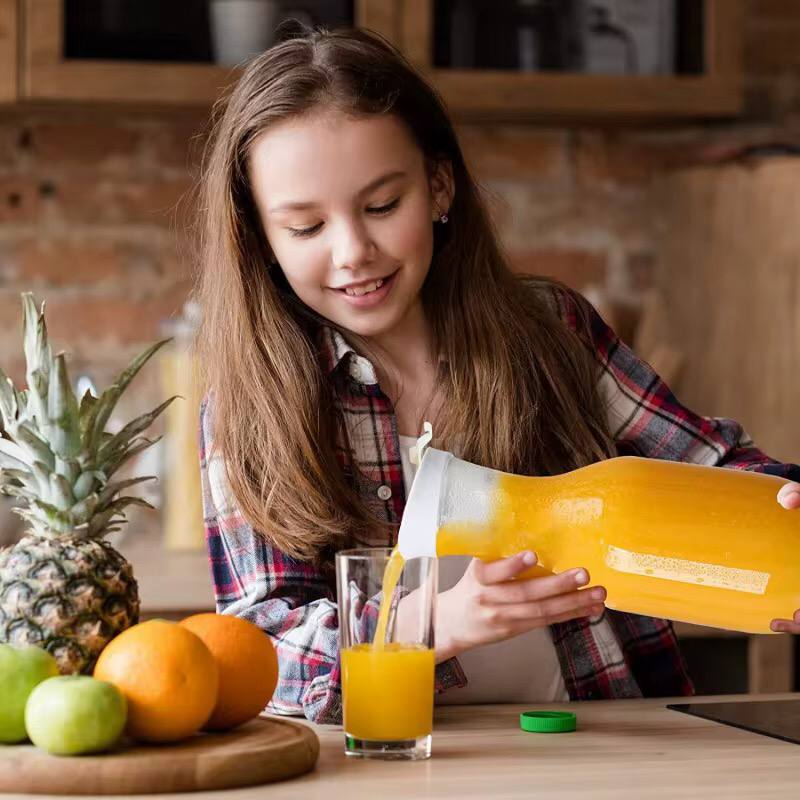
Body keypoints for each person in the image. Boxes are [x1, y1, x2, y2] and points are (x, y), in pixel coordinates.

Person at [193, 24, 800, 724]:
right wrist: (428, 624)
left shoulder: (550, 330)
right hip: (389, 762)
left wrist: (776, 504)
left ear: (439, 186)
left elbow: (711, 465)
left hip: (603, 741)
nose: (353, 251)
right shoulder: (251, 408)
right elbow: (255, 649)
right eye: (305, 228)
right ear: (260, 240)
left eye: (383, 206)